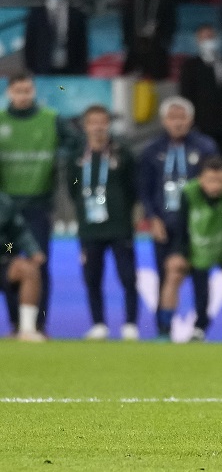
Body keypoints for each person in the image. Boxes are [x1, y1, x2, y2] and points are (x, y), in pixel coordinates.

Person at [0, 71, 79, 333]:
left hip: (38, 206)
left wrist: (59, 157)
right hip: (6, 212)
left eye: (27, 91)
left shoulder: (50, 120)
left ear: (33, 92)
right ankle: (16, 322)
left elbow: (75, 142)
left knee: (38, 262)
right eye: (18, 91)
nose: (23, 96)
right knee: (8, 263)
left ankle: (39, 324)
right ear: (9, 93)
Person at [137, 97, 219, 338]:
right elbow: (145, 189)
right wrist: (152, 218)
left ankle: (200, 326)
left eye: (181, 117)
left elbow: (215, 184)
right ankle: (163, 327)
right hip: (165, 222)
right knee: (165, 275)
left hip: (197, 224)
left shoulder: (205, 147)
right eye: (172, 118)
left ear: (190, 120)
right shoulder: (152, 151)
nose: (177, 123)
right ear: (164, 121)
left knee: (200, 274)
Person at [159, 156, 222, 342]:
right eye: (211, 181)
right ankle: (165, 330)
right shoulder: (189, 192)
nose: (216, 186)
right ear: (200, 179)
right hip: (193, 248)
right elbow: (181, 226)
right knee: (173, 273)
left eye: (221, 181)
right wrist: (180, 253)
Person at [67, 105, 140, 341]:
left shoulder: (122, 152)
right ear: (86, 125)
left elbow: (133, 188)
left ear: (108, 124)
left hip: (119, 225)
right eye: (93, 122)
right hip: (89, 227)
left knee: (128, 277)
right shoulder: (77, 154)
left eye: (102, 121)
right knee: (92, 277)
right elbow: (73, 188)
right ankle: (98, 324)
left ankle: (130, 324)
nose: (98, 126)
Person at [179, 24, 222, 159]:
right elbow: (186, 94)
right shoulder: (190, 66)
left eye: (211, 37)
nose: (208, 41)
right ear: (197, 41)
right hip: (202, 122)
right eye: (204, 38)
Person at [0, 191, 47, 342]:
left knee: (29, 270)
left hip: (3, 259)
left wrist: (33, 250)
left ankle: (27, 330)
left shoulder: (4, 202)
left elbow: (19, 232)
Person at [122, 0, 177, 80]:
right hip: (135, 48)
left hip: (157, 48)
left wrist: (164, 40)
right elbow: (126, 22)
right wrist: (129, 41)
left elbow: (171, 21)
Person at [24, 0, 89, 75]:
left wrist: (81, 68)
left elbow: (82, 43)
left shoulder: (76, 14)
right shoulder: (36, 13)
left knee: (62, 89)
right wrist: (30, 67)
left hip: (69, 68)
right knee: (49, 90)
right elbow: (30, 41)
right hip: (43, 68)